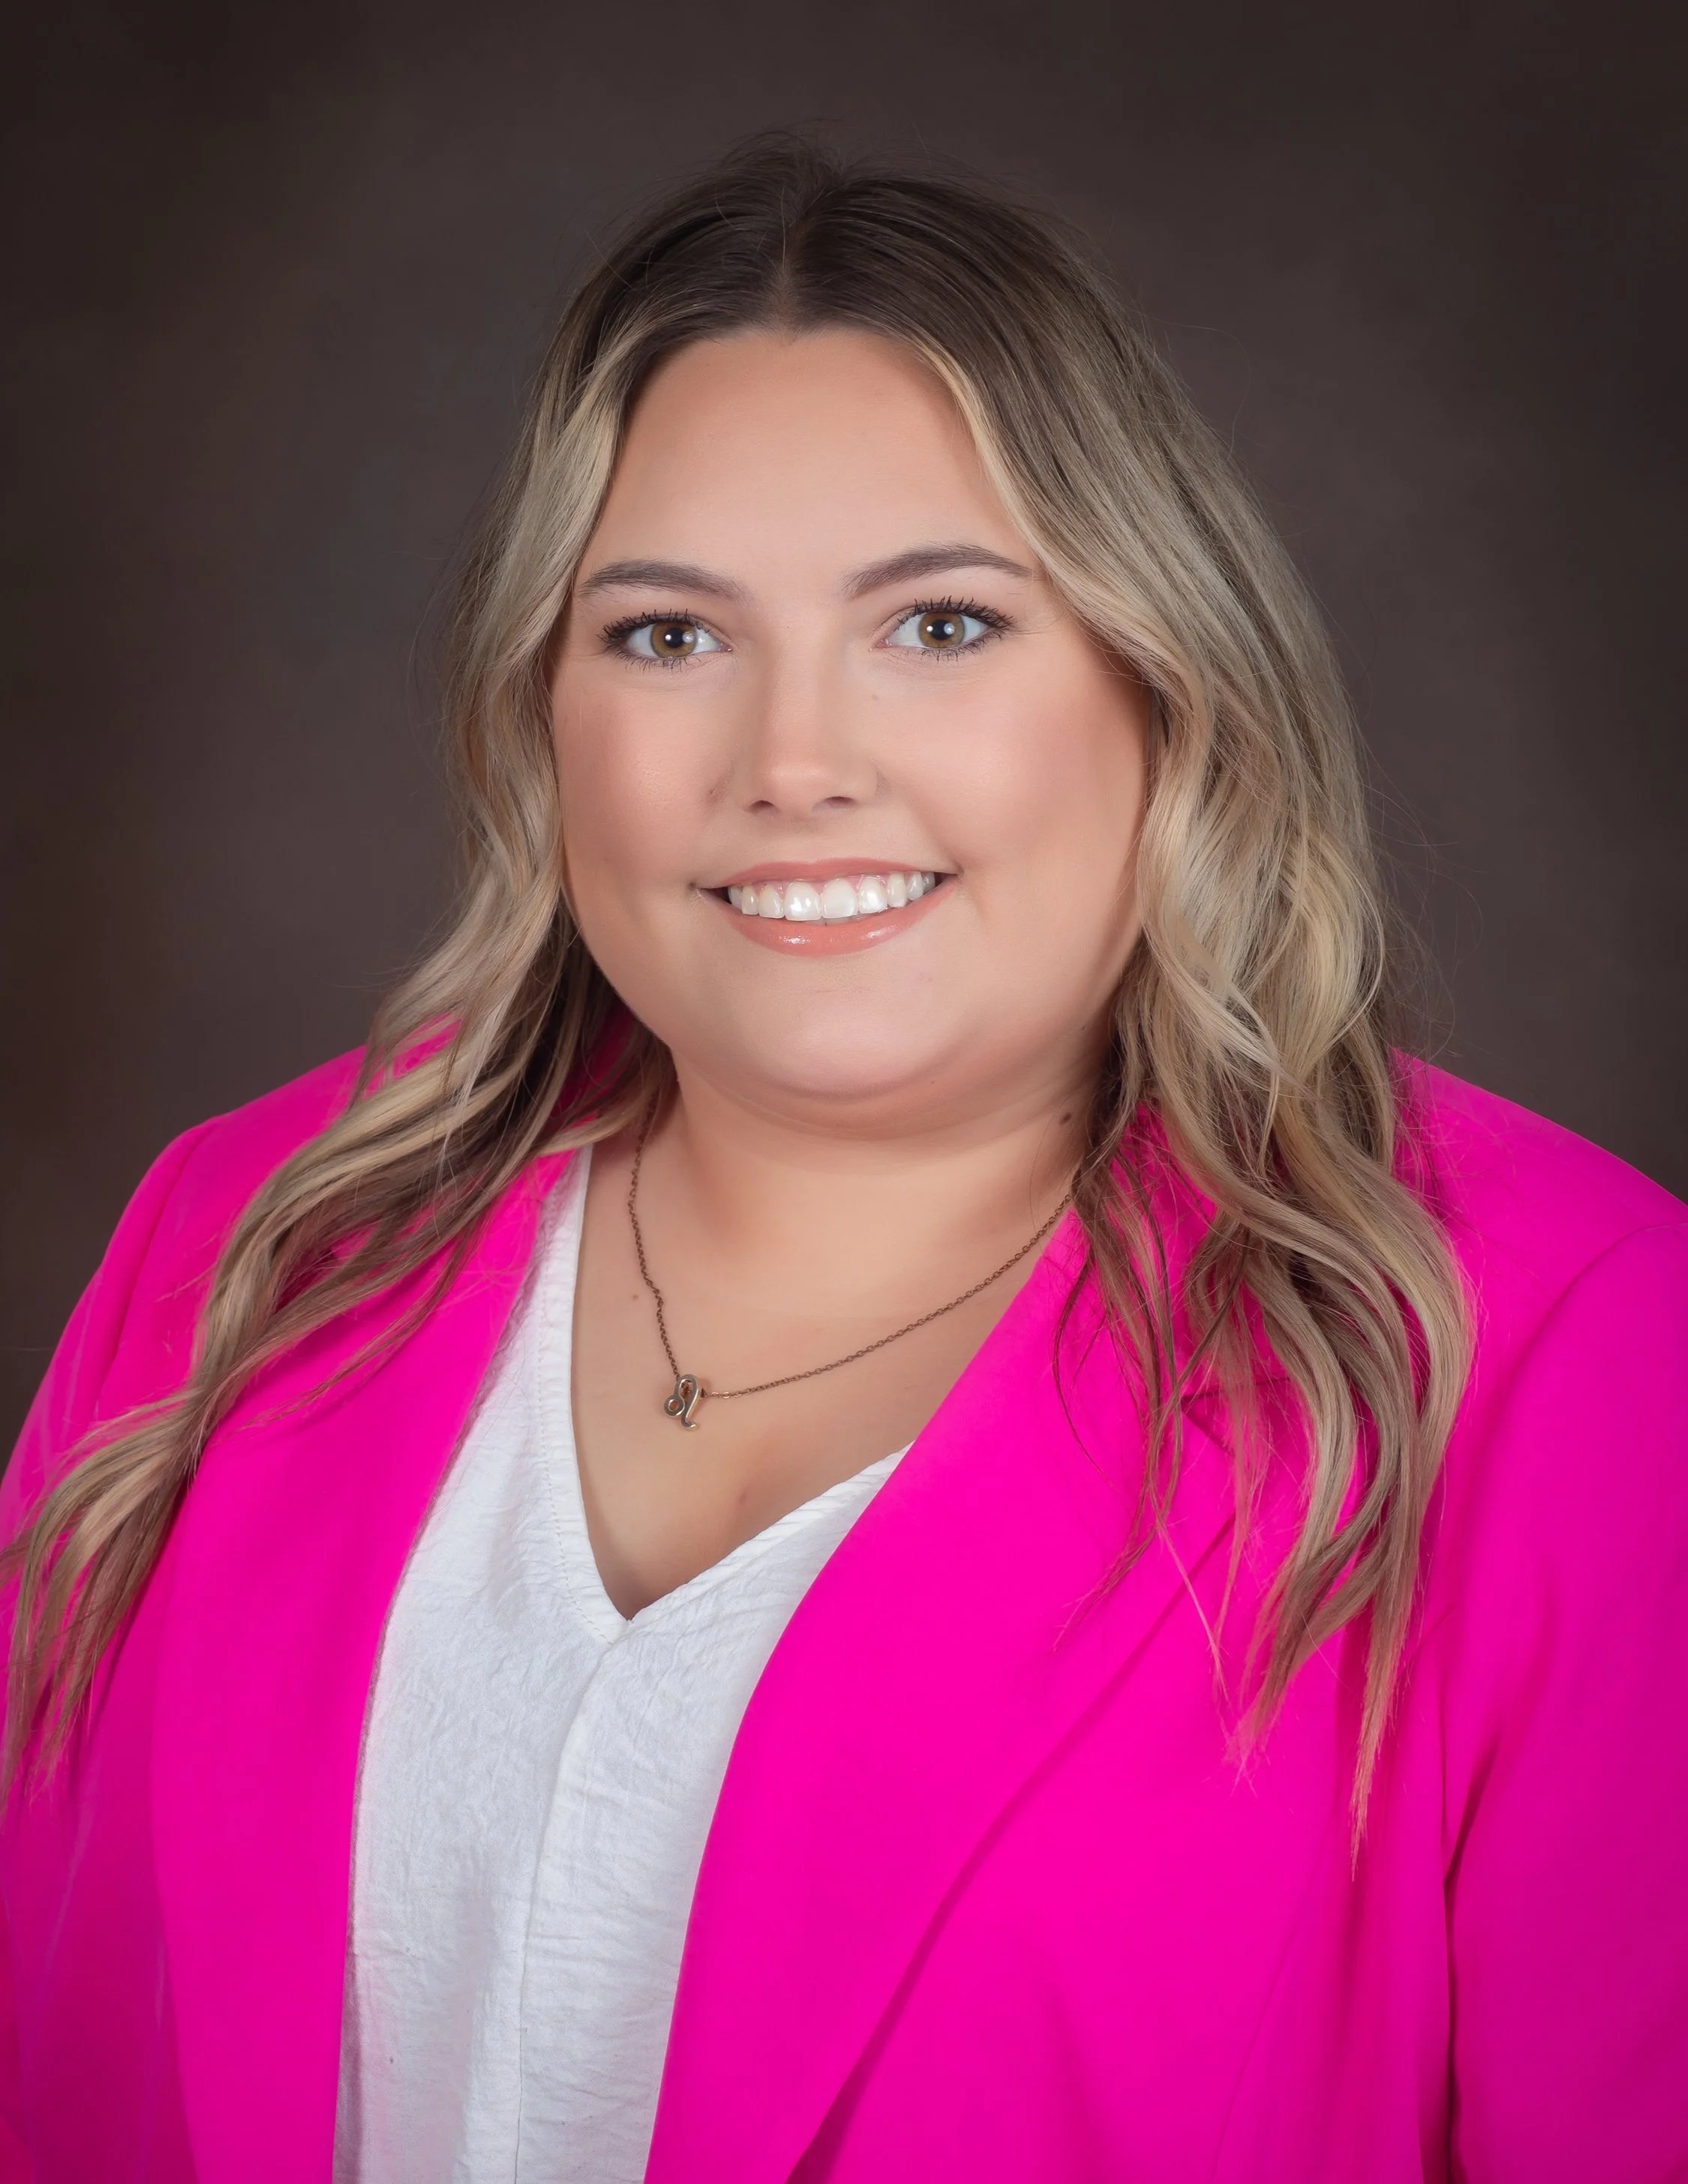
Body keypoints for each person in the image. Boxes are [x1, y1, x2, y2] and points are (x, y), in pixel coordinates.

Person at [3, 134, 1684, 2184]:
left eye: (945, 625)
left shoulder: (1564, 1356)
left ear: (1166, 687)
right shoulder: (245, 1247)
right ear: (542, 713)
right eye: (669, 637)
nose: (796, 760)